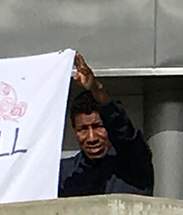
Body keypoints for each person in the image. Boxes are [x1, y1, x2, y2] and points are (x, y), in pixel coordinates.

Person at [58, 53, 154, 197]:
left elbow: (123, 131)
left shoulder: (133, 163)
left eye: (98, 127)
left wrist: (96, 89)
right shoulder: (65, 173)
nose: (92, 138)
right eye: (83, 129)